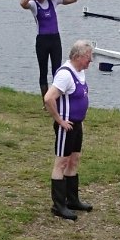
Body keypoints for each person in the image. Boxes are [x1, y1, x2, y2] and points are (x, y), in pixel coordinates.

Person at [43, 40, 96, 221]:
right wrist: (59, 120)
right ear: (78, 57)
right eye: (88, 58)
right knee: (62, 162)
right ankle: (58, 205)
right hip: (67, 126)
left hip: (77, 124)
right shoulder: (65, 75)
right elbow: (49, 98)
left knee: (74, 160)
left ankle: (72, 199)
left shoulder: (79, 72)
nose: (90, 61)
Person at [21, 0, 78, 94]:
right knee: (43, 71)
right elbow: (23, 3)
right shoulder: (33, 5)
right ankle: (45, 101)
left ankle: (55, 99)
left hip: (55, 40)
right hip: (42, 41)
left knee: (57, 71)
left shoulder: (54, 0)